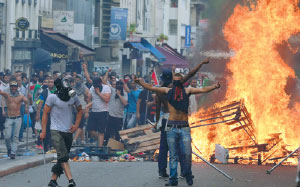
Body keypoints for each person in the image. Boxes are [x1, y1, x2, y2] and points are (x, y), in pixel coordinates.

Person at [135, 63, 220, 186]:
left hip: (175, 123)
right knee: (177, 152)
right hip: (172, 124)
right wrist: (141, 83)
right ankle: (178, 176)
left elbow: (202, 89)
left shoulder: (174, 90)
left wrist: (214, 86)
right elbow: (152, 88)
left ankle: (175, 172)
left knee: (176, 151)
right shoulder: (170, 90)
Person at [40, 78, 82, 187]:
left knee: (62, 156)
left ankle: (53, 181)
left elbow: (80, 110)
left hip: (68, 130)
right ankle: (71, 180)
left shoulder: (73, 97)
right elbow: (45, 113)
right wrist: (43, 131)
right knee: (63, 156)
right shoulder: (52, 97)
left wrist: (76, 125)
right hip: (56, 130)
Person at [0, 79, 29, 159]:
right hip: (9, 118)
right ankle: (9, 148)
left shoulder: (21, 96)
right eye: (12, 87)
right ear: (10, 87)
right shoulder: (7, 95)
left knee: (15, 136)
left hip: (18, 118)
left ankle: (13, 152)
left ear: (17, 87)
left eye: (14, 87)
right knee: (7, 136)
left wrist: (29, 99)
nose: (13, 88)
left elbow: (29, 102)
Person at [86, 77, 111, 147]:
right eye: (94, 85)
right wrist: (87, 110)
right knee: (90, 130)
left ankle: (100, 148)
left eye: (96, 85)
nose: (95, 87)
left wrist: (98, 92)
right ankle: (102, 139)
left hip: (103, 112)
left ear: (100, 83)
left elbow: (107, 100)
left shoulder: (106, 88)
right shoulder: (92, 88)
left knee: (101, 132)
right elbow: (89, 99)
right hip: (93, 111)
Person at [72, 75, 89, 145]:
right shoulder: (72, 89)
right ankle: (82, 140)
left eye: (79, 79)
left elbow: (88, 100)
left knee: (80, 125)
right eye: (76, 79)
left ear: (81, 80)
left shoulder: (85, 89)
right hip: (74, 109)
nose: (77, 81)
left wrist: (87, 110)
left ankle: (75, 140)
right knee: (78, 125)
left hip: (82, 109)